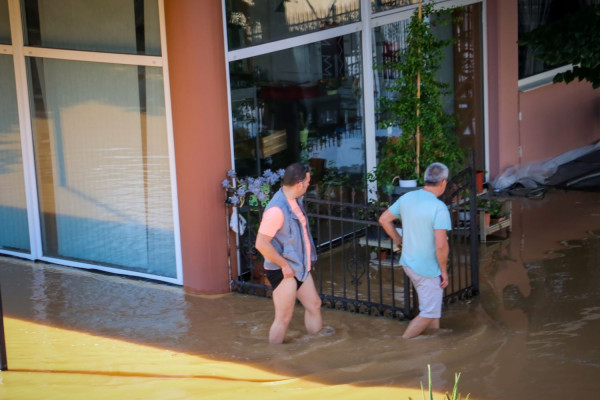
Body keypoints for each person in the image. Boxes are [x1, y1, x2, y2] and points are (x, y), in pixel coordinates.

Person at [378, 162, 451, 338]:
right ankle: (404, 343)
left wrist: (398, 240)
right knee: (429, 312)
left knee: (432, 309)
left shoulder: (408, 198)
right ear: (443, 183)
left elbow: (384, 219)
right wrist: (443, 270)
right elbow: (441, 245)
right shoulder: (439, 208)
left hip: (409, 263)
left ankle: (434, 341)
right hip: (427, 268)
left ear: (425, 180)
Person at [255, 163, 322, 344]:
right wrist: (284, 266)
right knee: (283, 318)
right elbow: (261, 244)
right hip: (284, 270)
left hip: (298, 266)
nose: (309, 185)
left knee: (314, 305)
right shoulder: (277, 210)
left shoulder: (295, 200)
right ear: (300, 184)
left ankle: (319, 347)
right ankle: (274, 358)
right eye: (307, 182)